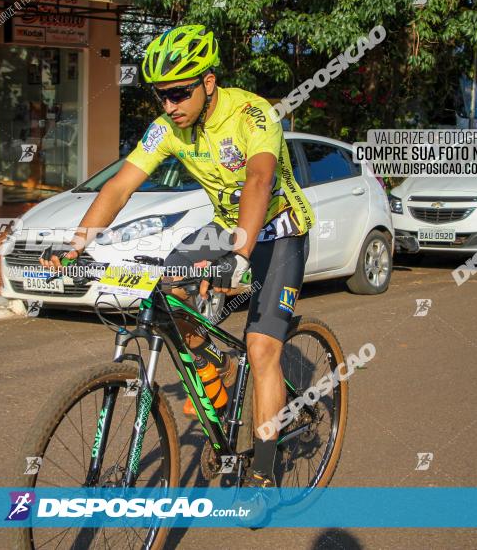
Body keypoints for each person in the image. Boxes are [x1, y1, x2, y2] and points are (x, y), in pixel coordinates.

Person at [39, 25, 316, 493]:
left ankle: (265, 472)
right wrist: (76, 244)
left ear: (209, 81)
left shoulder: (253, 114)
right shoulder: (166, 128)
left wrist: (241, 256)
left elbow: (258, 182)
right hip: (227, 228)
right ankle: (213, 370)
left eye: (178, 93)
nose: (169, 105)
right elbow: (119, 186)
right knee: (163, 291)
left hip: (277, 230)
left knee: (262, 348)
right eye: (160, 96)